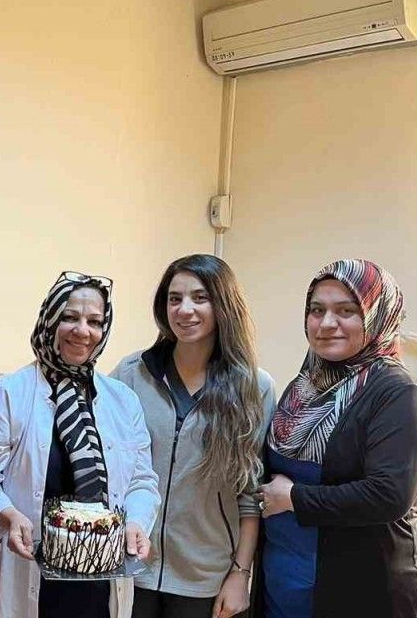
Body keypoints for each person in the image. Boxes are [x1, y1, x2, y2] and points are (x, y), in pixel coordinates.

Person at [255, 259, 417, 618]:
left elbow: (388, 496)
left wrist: (294, 498)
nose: (326, 323)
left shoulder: (401, 396)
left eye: (346, 311)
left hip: (362, 591)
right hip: (285, 583)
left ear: (377, 315)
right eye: (317, 310)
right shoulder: (303, 387)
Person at [0, 271, 159, 618]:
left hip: (102, 580)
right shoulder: (8, 393)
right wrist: (9, 515)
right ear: (49, 320)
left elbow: (141, 480)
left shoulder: (123, 400)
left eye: (95, 321)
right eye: (70, 317)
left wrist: (137, 521)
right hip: (29, 574)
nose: (82, 331)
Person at [111, 254, 275, 618]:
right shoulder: (132, 373)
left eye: (200, 298)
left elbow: (251, 494)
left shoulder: (254, 387)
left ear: (224, 305)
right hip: (131, 566)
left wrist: (240, 574)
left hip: (206, 578)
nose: (185, 309)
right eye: (175, 298)